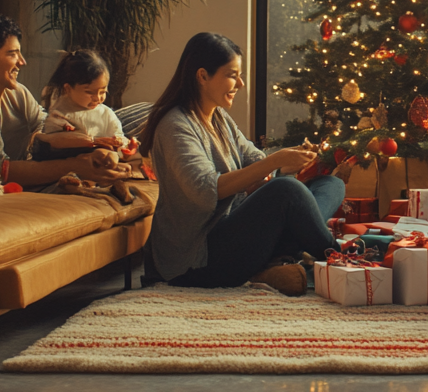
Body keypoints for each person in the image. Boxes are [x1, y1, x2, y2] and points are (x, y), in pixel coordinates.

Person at [140, 32, 343, 295]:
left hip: (233, 235)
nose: (241, 84)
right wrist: (276, 164)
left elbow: (257, 162)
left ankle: (283, 261)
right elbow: (205, 192)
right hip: (196, 258)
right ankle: (336, 256)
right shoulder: (175, 125)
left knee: (330, 184)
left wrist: (287, 164)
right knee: (288, 193)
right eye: (232, 75)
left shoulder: (219, 118)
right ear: (202, 76)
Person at [0, 13, 128, 189]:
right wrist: (74, 166)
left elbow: (44, 130)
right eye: (12, 54)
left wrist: (91, 149)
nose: (22, 62)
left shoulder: (16, 92)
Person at [39, 49, 128, 153]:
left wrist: (119, 142)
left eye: (103, 91)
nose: (97, 98)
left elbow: (119, 139)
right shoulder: (58, 110)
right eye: (89, 92)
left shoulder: (106, 114)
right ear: (67, 89)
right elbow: (50, 141)